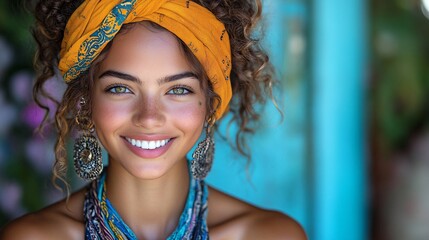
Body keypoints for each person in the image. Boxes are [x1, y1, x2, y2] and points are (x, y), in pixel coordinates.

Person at [0, 0, 307, 239]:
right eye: (120, 89)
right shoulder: (32, 237)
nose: (149, 118)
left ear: (210, 106)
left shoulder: (271, 235)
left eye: (178, 90)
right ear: (86, 102)